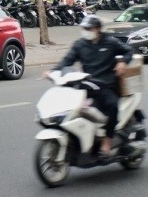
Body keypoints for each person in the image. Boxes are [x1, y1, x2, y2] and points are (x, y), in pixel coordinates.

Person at [45, 14, 132, 157]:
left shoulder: (110, 42)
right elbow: (67, 60)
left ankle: (107, 140)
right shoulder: (80, 44)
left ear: (98, 29)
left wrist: (122, 61)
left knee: (113, 106)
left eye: (89, 28)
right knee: (71, 110)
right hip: (86, 85)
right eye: (84, 28)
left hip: (106, 86)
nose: (86, 31)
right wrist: (53, 71)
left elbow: (128, 51)